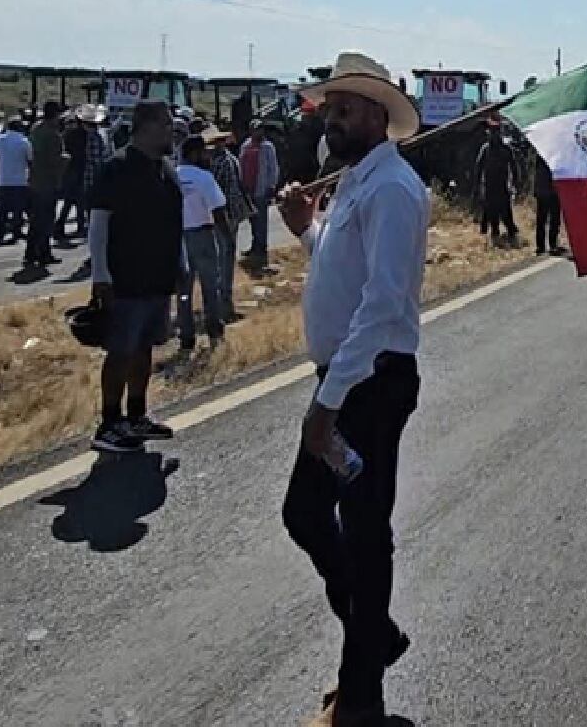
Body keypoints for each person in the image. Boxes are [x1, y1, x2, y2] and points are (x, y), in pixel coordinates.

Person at [276, 51, 426, 727]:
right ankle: (375, 635)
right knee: (306, 517)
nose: (331, 120)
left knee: (363, 536)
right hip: (345, 380)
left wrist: (328, 403)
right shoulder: (356, 183)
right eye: (329, 109)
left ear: (376, 116)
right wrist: (306, 227)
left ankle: (361, 698)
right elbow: (340, 269)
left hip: (369, 384)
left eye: (344, 110)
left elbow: (381, 304)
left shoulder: (392, 188)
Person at [87, 100, 183, 453]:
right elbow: (99, 224)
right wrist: (101, 275)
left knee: (144, 349)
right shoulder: (116, 168)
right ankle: (109, 423)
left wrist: (180, 266)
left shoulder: (168, 171)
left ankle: (137, 416)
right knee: (120, 351)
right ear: (147, 127)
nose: (172, 131)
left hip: (158, 278)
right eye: (167, 125)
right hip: (124, 279)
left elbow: (175, 225)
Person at [175, 135, 230, 350]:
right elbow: (217, 209)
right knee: (210, 287)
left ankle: (186, 337)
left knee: (184, 290)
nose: (208, 155)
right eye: (204, 152)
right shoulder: (204, 177)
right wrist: (226, 238)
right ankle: (214, 331)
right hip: (203, 236)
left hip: (179, 237)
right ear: (194, 154)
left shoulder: (172, 175)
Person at [207, 128, 251, 320]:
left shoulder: (226, 159)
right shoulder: (220, 162)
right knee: (224, 261)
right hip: (224, 217)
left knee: (225, 259)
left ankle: (225, 305)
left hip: (230, 214)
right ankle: (223, 308)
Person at [25, 101, 67, 267]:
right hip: (48, 182)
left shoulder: (35, 130)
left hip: (34, 180)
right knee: (46, 219)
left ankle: (31, 252)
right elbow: (54, 160)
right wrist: (66, 159)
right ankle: (43, 253)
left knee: (35, 220)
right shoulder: (53, 135)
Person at [241, 121, 282, 266]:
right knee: (252, 220)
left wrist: (272, 185)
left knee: (261, 221)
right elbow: (241, 165)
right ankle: (254, 246)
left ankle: (262, 249)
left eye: (260, 130)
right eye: (255, 129)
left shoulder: (268, 147)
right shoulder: (246, 146)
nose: (258, 132)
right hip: (248, 189)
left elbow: (273, 167)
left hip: (261, 189)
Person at [0, 118, 32, 244]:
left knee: (3, 208)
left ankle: (0, 233)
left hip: (4, 178)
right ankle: (16, 232)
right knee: (18, 208)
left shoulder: (1, 139)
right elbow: (30, 158)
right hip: (20, 179)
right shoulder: (24, 141)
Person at [474, 126, 519, 246]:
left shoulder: (506, 149)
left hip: (502, 184)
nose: (493, 135)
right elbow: (479, 168)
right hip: (489, 186)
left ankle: (511, 234)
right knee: (491, 212)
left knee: (505, 211)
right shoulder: (486, 149)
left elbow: (514, 167)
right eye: (491, 133)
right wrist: (478, 185)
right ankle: (495, 236)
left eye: (496, 133)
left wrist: (515, 183)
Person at [76, 107, 111, 240]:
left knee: (90, 212)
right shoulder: (95, 137)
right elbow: (97, 160)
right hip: (94, 180)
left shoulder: (86, 136)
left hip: (86, 179)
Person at [56, 110, 89, 240]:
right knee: (78, 199)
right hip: (78, 169)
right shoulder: (82, 135)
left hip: (69, 170)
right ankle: (77, 226)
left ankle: (62, 225)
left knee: (72, 200)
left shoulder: (66, 134)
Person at [533, 151, 561, 255]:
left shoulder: (551, 154)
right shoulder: (542, 153)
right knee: (543, 219)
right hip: (546, 190)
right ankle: (543, 246)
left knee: (553, 219)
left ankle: (550, 244)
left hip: (551, 190)